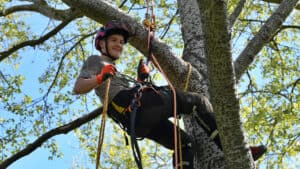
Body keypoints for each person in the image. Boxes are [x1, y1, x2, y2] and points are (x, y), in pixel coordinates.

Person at [73, 20, 267, 169]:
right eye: (114, 40)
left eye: (122, 42)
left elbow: (123, 94)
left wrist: (141, 79)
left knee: (185, 144)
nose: (119, 45)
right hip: (137, 108)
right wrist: (99, 78)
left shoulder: (113, 70)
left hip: (136, 121)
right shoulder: (96, 61)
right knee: (197, 101)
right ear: (102, 44)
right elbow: (79, 87)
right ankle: (234, 150)